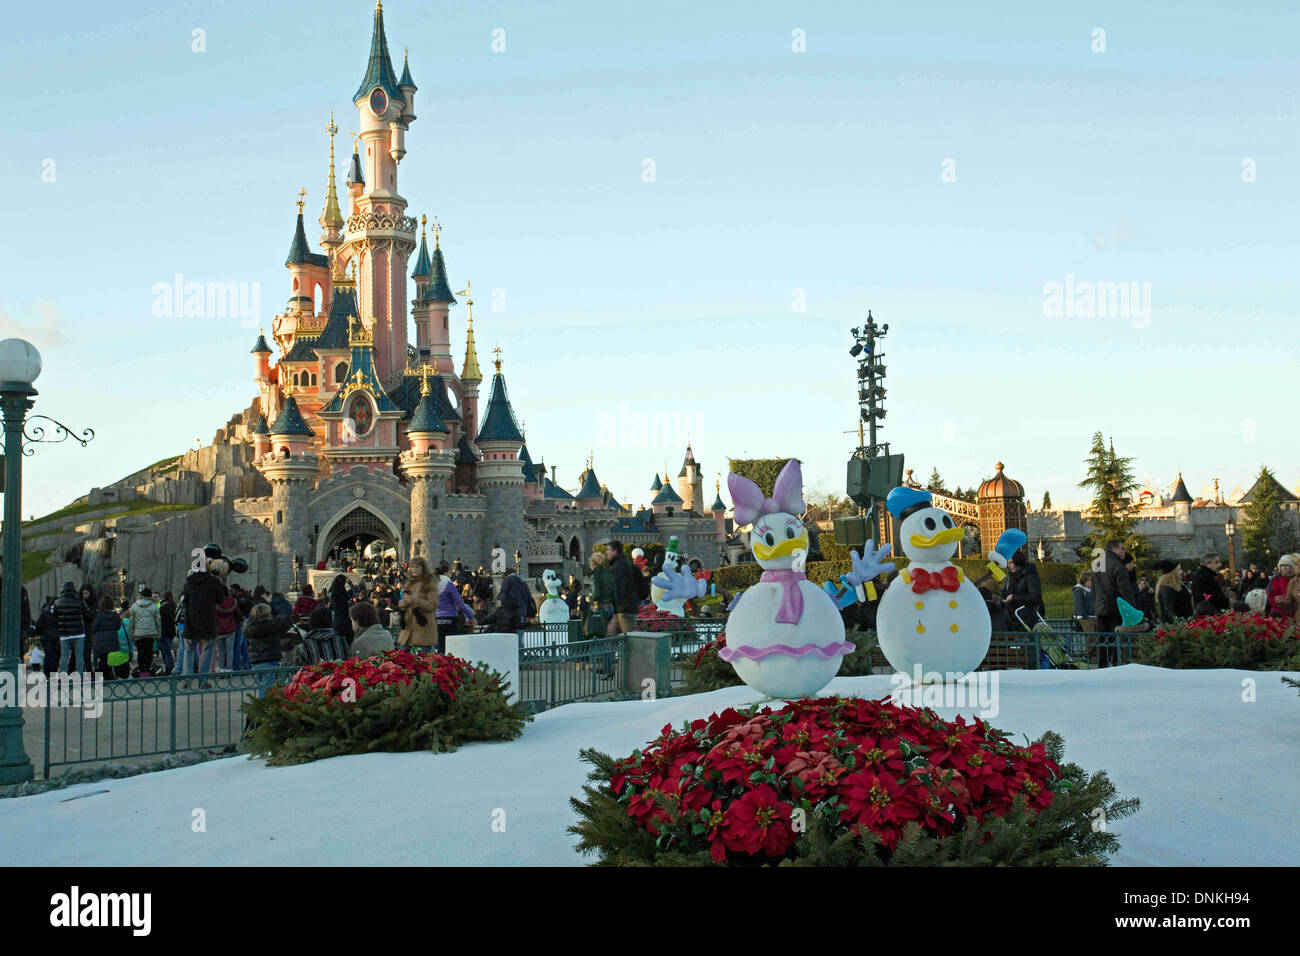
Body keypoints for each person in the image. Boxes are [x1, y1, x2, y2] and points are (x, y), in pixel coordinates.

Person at [1092, 539, 1137, 667]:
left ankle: (1102, 666)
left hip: (1101, 607)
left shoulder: (1097, 563)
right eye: (1122, 549)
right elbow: (1125, 591)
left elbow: (1094, 588)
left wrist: (1097, 601)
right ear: (1114, 549)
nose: (1124, 551)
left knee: (1103, 640)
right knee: (1115, 640)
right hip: (1116, 608)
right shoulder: (1118, 566)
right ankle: (1116, 665)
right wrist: (1133, 610)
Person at [243, 602, 292, 698]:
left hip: (256, 661)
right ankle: (265, 710)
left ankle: (264, 708)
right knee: (268, 690)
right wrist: (280, 614)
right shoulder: (271, 625)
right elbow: (286, 623)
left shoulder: (251, 627)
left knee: (264, 687)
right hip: (269, 660)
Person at [397, 557, 440, 653]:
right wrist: (402, 605)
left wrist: (417, 601)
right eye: (412, 567)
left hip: (423, 629)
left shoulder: (429, 583)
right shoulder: (409, 583)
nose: (414, 570)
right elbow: (405, 602)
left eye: (417, 567)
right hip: (408, 629)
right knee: (401, 659)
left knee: (423, 662)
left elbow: (433, 605)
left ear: (423, 568)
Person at [606, 541, 649, 635]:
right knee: (610, 639)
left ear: (615, 551)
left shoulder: (618, 567)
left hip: (625, 610)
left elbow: (618, 588)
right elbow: (643, 583)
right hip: (622, 609)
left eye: (609, 550)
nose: (607, 552)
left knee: (629, 639)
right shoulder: (627, 564)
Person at [587, 549, 617, 676]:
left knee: (602, 638)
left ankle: (607, 668)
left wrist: (591, 598)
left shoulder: (596, 575)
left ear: (593, 563)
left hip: (602, 608)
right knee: (609, 638)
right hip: (611, 608)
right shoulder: (608, 574)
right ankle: (608, 666)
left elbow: (596, 593)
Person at [287, 607, 351, 666]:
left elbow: (299, 667)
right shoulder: (341, 639)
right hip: (339, 677)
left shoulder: (306, 643)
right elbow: (348, 659)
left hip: (314, 677)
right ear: (330, 621)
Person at [434, 561, 475, 650]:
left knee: (441, 646)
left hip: (438, 618)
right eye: (450, 572)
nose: (450, 574)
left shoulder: (434, 585)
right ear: (445, 572)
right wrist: (471, 616)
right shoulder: (449, 585)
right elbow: (459, 603)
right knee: (452, 647)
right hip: (450, 617)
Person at [54, 581, 92, 675]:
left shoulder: (58, 602)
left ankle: (63, 676)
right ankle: (80, 675)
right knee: (79, 656)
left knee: (64, 656)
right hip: (79, 633)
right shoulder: (79, 601)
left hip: (64, 634)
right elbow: (87, 615)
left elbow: (55, 616)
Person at [1001, 549, 1044, 630]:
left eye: (1011, 563)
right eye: (1008, 563)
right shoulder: (1009, 576)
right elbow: (1003, 592)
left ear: (1018, 562)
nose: (1009, 565)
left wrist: (1014, 598)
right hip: (1010, 617)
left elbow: (1036, 597)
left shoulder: (1030, 576)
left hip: (1026, 617)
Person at [126, 586, 161, 677]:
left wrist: (131, 634)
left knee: (141, 652)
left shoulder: (134, 606)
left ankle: (142, 672)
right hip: (151, 634)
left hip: (138, 634)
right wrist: (158, 633)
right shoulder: (154, 606)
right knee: (149, 652)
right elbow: (158, 622)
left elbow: (132, 622)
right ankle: (148, 671)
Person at [90, 596, 123, 679]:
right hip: (112, 640)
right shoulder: (116, 615)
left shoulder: (100, 615)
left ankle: (102, 675)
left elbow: (94, 628)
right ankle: (109, 674)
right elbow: (118, 626)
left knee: (102, 658)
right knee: (108, 658)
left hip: (101, 640)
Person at [498, 567, 535, 635]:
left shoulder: (508, 580)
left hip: (511, 612)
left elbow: (502, 595)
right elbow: (529, 597)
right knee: (520, 634)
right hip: (523, 611)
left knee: (512, 635)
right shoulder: (522, 581)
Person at [214, 590, 241, 672]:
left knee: (221, 651)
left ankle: (222, 668)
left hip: (218, 629)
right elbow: (238, 614)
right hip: (230, 628)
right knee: (230, 650)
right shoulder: (233, 602)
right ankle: (229, 668)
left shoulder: (215, 602)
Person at [35, 597, 61, 676]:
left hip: (45, 637)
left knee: (48, 655)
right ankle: (52, 673)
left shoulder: (44, 613)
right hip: (55, 637)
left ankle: (47, 674)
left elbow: (38, 625)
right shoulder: (58, 613)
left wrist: (40, 633)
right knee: (54, 655)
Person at [1266, 555, 1297, 619]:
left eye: (1287, 565)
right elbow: (1270, 597)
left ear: (1292, 567)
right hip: (1279, 615)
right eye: (1282, 565)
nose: (1284, 567)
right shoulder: (1275, 579)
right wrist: (1278, 600)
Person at [329, 574, 354, 643]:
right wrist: (350, 582)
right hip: (346, 622)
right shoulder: (346, 594)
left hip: (336, 621)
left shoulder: (333, 594)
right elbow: (355, 591)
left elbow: (330, 590)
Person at [157, 591, 177, 674]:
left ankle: (169, 665)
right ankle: (169, 664)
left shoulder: (162, 608)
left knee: (166, 650)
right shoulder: (174, 606)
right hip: (171, 630)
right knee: (167, 648)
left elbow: (158, 619)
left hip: (163, 630)